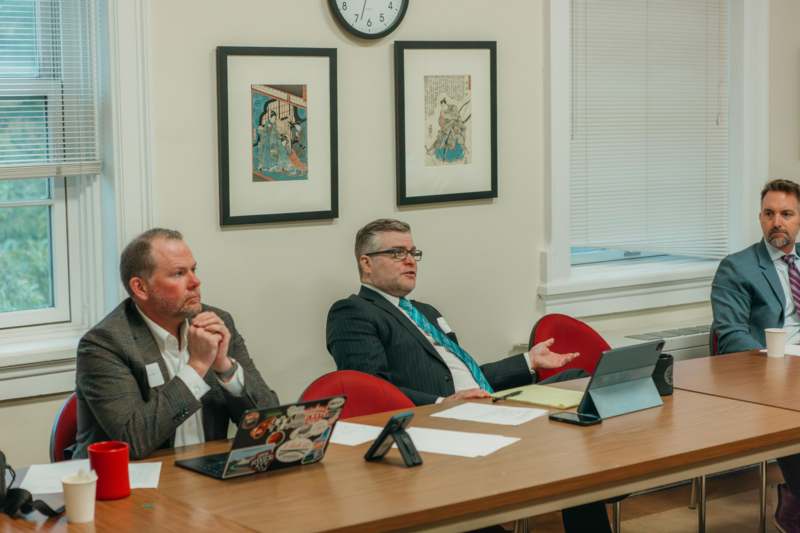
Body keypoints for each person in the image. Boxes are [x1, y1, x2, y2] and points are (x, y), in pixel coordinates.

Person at [326, 218, 611, 533]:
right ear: (366, 263)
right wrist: (442, 401)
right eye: (396, 253)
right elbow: (373, 390)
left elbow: (465, 378)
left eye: (413, 252)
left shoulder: (425, 311)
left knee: (576, 383)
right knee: (567, 446)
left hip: (484, 406)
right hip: (441, 422)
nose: (409, 260)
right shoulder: (353, 312)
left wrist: (527, 361)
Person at [73, 228, 279, 460]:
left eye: (194, 269)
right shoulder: (104, 343)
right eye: (179, 273)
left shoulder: (217, 322)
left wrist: (224, 367)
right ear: (140, 287)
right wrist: (198, 365)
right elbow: (133, 440)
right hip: (129, 484)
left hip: (206, 473)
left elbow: (270, 423)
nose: (195, 281)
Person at [711, 178, 800, 531]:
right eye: (769, 214)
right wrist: (777, 363)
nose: (777, 222)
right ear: (760, 218)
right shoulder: (737, 267)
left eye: (787, 214)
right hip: (773, 371)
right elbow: (731, 337)